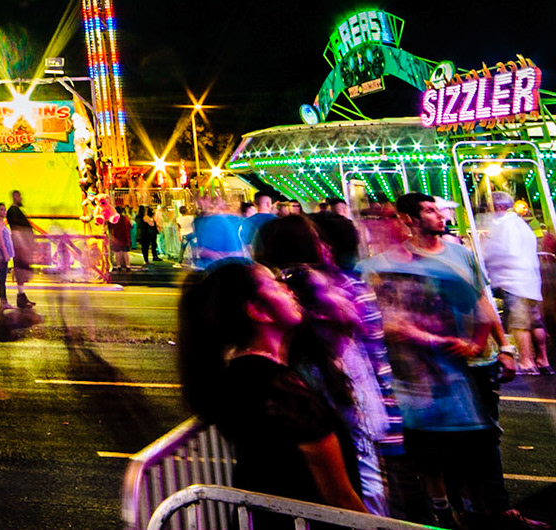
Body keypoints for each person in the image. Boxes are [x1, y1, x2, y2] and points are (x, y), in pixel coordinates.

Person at [178, 259, 369, 525]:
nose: (289, 289)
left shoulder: (241, 375)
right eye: (275, 283)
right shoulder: (282, 391)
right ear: (258, 310)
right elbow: (342, 501)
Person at [367, 192, 511, 527]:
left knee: (484, 445)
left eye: (438, 210)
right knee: (437, 453)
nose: (440, 216)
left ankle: (492, 511)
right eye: (430, 211)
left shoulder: (460, 254)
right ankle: (451, 512)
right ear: (409, 220)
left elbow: (482, 302)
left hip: (474, 364)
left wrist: (502, 347)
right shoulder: (391, 265)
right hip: (429, 374)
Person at [253, 213, 397, 517]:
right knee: (361, 494)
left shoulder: (319, 286)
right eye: (316, 240)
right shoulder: (312, 288)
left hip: (349, 405)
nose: (326, 247)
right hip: (340, 406)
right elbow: (356, 322)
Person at [478, 189, 549, 374]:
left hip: (513, 280)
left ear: (499, 206)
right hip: (531, 280)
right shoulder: (521, 224)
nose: (489, 211)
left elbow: (499, 252)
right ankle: (543, 359)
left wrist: (486, 259)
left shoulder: (503, 225)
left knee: (519, 323)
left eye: (491, 207)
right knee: (536, 322)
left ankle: (526, 361)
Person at [6, 191, 40, 310]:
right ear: (15, 197)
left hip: (22, 244)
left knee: (23, 269)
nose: (21, 198)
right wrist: (24, 245)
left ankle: (22, 296)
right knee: (21, 269)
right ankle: (20, 297)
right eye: (19, 196)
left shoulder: (15, 211)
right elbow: (17, 229)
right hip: (20, 245)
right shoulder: (13, 211)